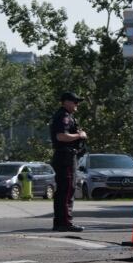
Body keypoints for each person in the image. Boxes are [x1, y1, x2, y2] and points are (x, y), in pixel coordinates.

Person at [49, 92, 87, 232]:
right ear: (65, 102)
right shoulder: (63, 116)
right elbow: (61, 136)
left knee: (64, 190)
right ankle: (65, 222)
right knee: (67, 190)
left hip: (64, 156)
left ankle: (60, 222)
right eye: (74, 102)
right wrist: (79, 135)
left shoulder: (64, 116)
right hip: (65, 156)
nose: (77, 105)